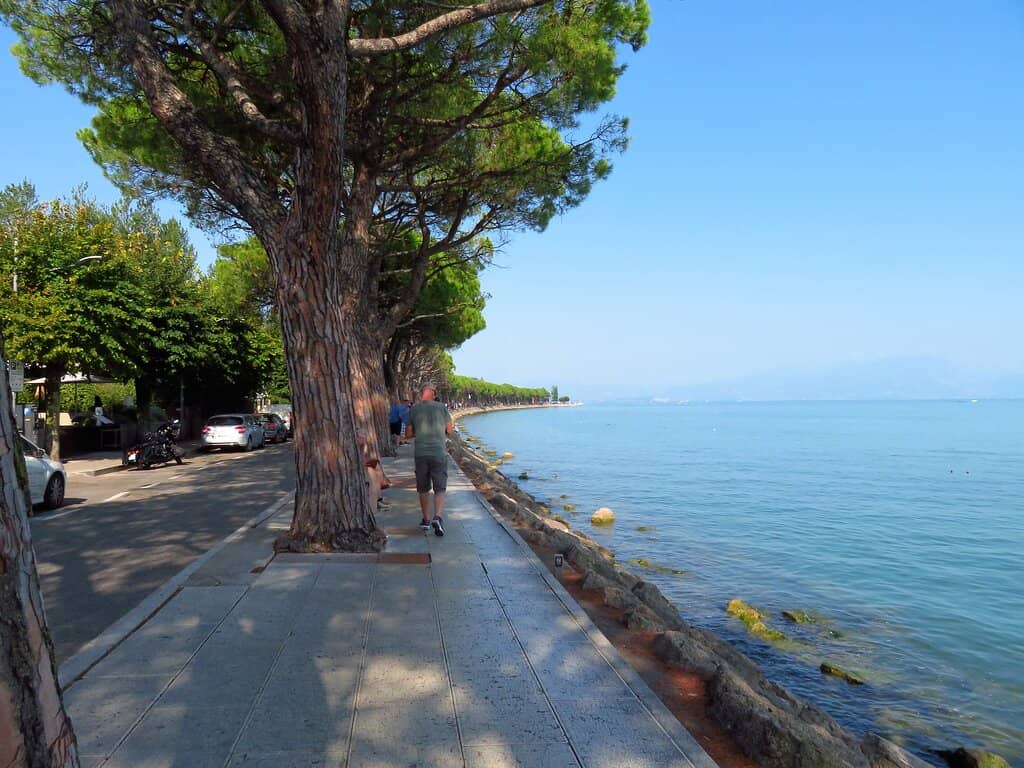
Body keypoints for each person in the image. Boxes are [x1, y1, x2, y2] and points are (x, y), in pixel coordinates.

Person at [405, 383, 453, 536]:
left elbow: (407, 433)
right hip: (439, 453)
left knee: (423, 488)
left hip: (421, 453)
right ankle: (437, 517)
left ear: (421, 394)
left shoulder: (414, 409)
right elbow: (450, 430)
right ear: (434, 393)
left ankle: (425, 520)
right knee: (440, 488)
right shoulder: (442, 407)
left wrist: (419, 432)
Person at [355, 429, 388, 510]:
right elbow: (361, 459)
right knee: (375, 470)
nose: (363, 439)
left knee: (377, 465)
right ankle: (379, 499)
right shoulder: (354, 444)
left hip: (362, 463)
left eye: (364, 437)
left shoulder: (362, 445)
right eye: (361, 437)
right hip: (357, 465)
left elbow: (364, 456)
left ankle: (379, 498)